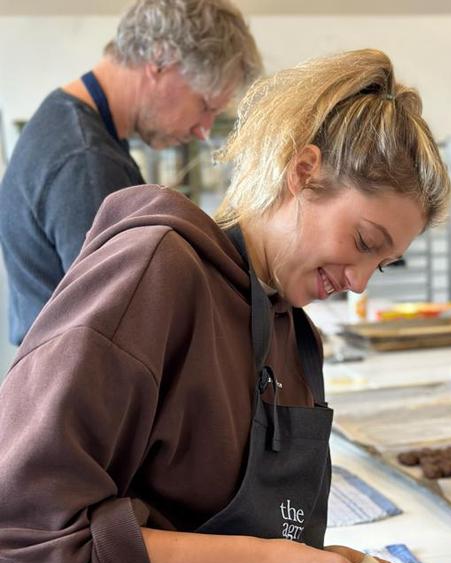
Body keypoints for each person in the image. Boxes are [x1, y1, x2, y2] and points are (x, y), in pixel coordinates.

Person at [0, 48, 451, 563]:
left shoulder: (289, 331)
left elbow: (223, 511)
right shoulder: (156, 270)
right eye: (362, 242)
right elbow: (22, 520)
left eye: (382, 264)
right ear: (302, 169)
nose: (357, 284)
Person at [0, 0, 260, 347]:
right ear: (160, 63)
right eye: (205, 105)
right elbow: (126, 324)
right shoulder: (87, 162)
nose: (203, 130)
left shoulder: (65, 119)